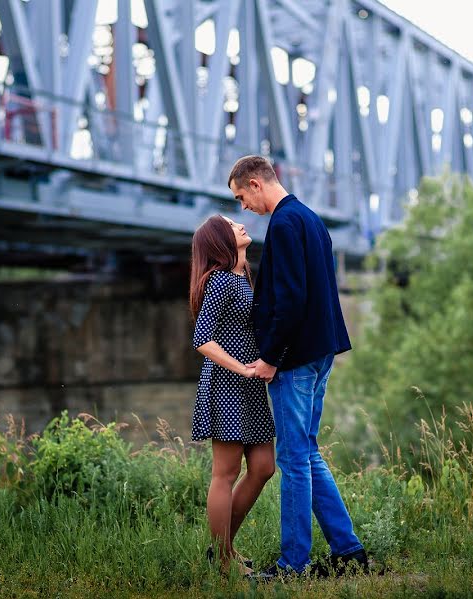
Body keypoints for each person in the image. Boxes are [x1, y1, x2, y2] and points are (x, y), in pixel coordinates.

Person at [227, 155, 368, 579]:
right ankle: (349, 552)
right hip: (320, 351)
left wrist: (270, 358)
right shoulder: (310, 218)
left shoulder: (285, 225)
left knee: (292, 457)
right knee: (306, 452)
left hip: (296, 359)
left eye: (240, 197)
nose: (242, 208)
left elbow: (290, 299)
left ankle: (293, 565)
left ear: (255, 183)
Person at [189, 214, 276, 577]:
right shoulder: (221, 281)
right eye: (230, 225)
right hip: (227, 383)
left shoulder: (244, 276)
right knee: (225, 473)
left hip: (251, 384)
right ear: (219, 241)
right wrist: (241, 368)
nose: (240, 225)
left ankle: (224, 549)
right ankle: (223, 561)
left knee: (263, 468)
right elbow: (202, 339)